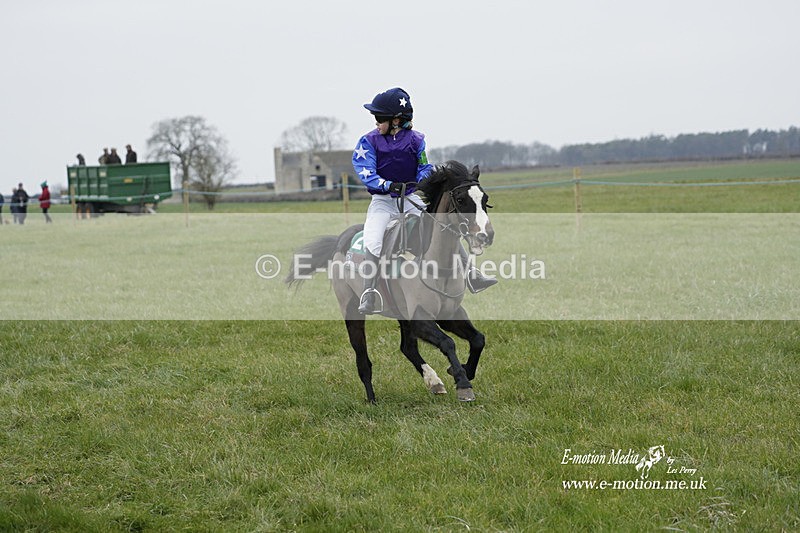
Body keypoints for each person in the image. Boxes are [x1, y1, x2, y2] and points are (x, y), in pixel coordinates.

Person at [352, 87, 495, 314]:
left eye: (380, 118)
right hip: (382, 201)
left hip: (409, 198)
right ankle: (369, 292)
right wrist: (387, 185)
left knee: (442, 227)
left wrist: (423, 182)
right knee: (374, 240)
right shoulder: (368, 141)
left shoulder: (417, 140)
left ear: (396, 120)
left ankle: (472, 274)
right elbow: (365, 172)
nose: (376, 122)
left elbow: (423, 167)